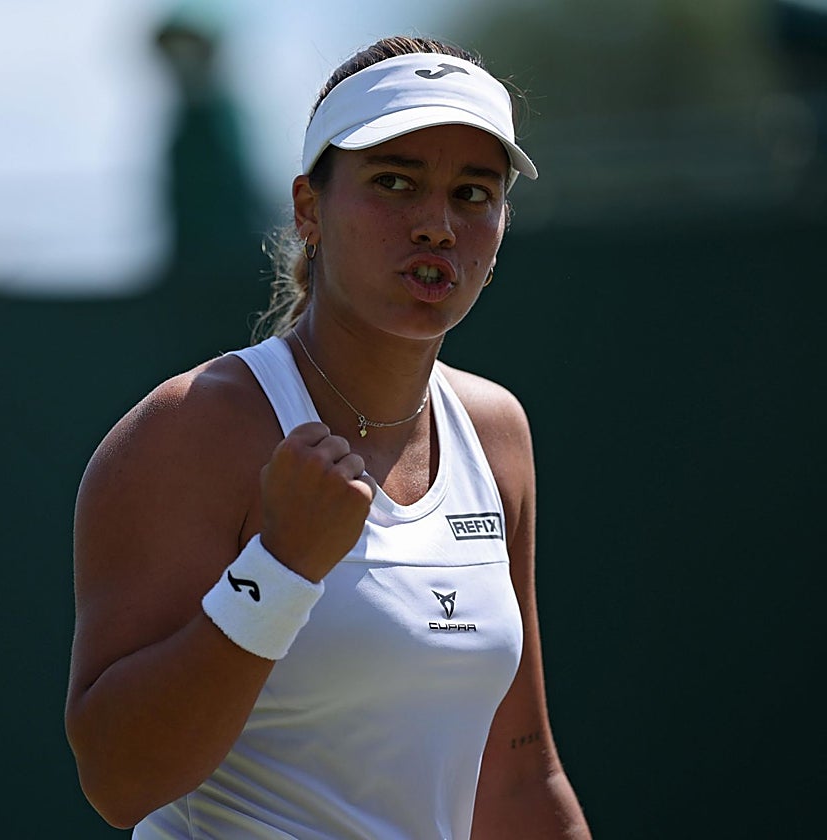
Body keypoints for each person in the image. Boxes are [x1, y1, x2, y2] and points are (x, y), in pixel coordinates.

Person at [65, 34, 592, 839]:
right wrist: (281, 570)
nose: (438, 226)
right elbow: (117, 780)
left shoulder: (497, 434)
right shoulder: (191, 429)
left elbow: (519, 779)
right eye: (394, 183)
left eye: (474, 195)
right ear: (310, 209)